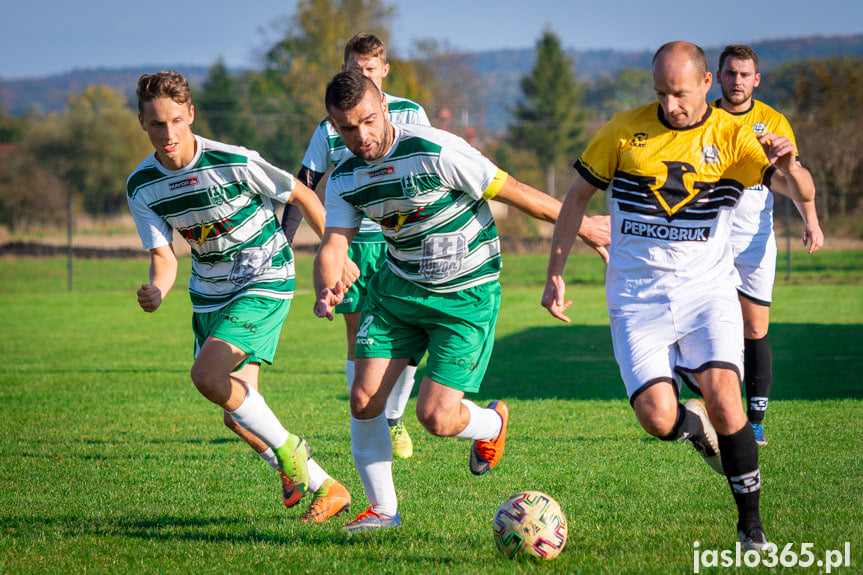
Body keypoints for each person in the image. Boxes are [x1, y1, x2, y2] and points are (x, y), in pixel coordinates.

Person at [541, 42, 815, 551]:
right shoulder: (624, 131)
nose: (671, 105)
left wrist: (793, 165)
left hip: (706, 295)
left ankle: (750, 525)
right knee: (657, 417)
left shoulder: (735, 136)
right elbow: (576, 198)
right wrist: (555, 272)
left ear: (706, 83)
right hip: (636, 301)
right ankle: (694, 427)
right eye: (662, 93)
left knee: (726, 397)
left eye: (681, 93)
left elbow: (797, 189)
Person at [314, 70, 610, 532]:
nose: (361, 136)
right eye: (347, 128)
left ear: (385, 110)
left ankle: (492, 424)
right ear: (334, 127)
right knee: (364, 399)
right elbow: (334, 243)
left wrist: (585, 226)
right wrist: (326, 285)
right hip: (399, 290)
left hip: (465, 295)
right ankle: (383, 511)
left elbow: (516, 193)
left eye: (368, 121)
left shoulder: (437, 151)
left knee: (435, 417)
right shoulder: (345, 178)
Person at [127, 70, 351, 523]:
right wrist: (158, 289)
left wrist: (335, 247)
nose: (167, 133)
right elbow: (165, 256)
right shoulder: (141, 185)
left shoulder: (233, 160)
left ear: (190, 114)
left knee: (207, 376)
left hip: (264, 277)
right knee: (237, 411)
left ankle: (291, 449)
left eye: (175, 120)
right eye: (156, 124)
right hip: (210, 294)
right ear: (142, 123)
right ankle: (327, 486)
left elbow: (302, 194)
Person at [282, 33, 432, 460]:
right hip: (355, 245)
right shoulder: (330, 126)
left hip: (402, 241)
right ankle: (365, 421)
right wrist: (284, 239)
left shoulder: (411, 113)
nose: (360, 76)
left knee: (410, 334)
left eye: (368, 70)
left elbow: (428, 165)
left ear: (384, 70)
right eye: (353, 69)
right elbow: (304, 183)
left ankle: (394, 417)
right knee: (358, 332)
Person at [713, 44, 824, 445]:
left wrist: (810, 220)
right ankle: (713, 404)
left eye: (745, 75)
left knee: (755, 328)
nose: (737, 81)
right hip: (708, 237)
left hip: (755, 238)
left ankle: (754, 419)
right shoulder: (703, 119)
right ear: (717, 77)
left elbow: (793, 176)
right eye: (731, 73)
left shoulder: (773, 121)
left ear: (756, 80)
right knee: (705, 321)